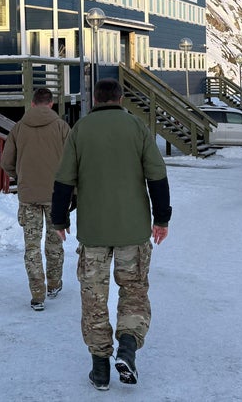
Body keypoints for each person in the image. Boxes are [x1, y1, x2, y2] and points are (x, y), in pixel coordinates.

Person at [51, 78, 172, 391]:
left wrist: (59, 218)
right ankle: (128, 347)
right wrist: (162, 218)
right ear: (119, 98)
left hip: (92, 232)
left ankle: (100, 368)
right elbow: (157, 175)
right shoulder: (136, 128)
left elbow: (64, 179)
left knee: (94, 298)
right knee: (133, 291)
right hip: (132, 230)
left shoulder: (80, 130)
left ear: (96, 100)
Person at [1, 87, 71, 312]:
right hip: (56, 196)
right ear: (51, 104)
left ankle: (37, 295)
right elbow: (73, 161)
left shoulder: (18, 128)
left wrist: (21, 176)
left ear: (32, 104)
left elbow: (6, 162)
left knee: (32, 246)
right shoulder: (61, 127)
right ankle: (54, 284)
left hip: (28, 196)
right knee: (54, 243)